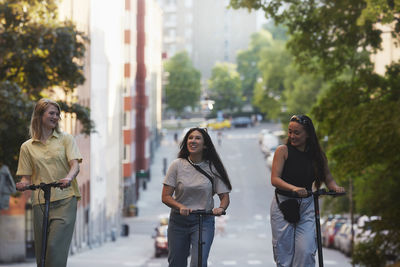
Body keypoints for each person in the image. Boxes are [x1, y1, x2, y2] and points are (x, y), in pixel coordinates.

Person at [270, 115, 345, 266]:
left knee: (306, 251)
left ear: (308, 134)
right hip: (284, 204)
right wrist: (294, 188)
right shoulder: (283, 151)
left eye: (297, 133)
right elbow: (275, 179)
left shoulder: (317, 156)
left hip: (306, 205)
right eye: (290, 132)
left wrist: (335, 188)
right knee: (284, 255)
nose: (292, 136)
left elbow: (328, 178)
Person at [15, 98, 82, 267]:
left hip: (65, 199)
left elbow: (75, 165)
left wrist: (68, 178)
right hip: (40, 202)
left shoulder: (65, 139)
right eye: (51, 113)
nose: (56, 117)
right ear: (39, 115)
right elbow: (27, 177)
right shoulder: (27, 147)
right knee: (42, 254)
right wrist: (23, 184)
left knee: (53, 248)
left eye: (57, 114)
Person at [162, 127, 232, 267]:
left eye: (197, 138)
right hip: (179, 221)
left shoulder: (212, 168)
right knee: (176, 263)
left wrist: (220, 208)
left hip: (203, 221)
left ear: (205, 145)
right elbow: (166, 196)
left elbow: (224, 197)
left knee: (198, 262)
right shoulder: (177, 165)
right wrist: (180, 206)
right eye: (190, 138)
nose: (193, 141)